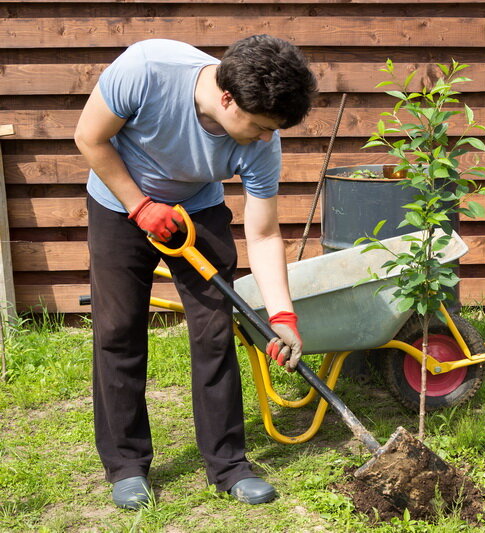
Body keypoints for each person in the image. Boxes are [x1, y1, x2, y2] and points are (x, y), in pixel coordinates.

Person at [74, 35, 317, 509]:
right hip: (119, 202)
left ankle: (228, 464)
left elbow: (265, 234)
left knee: (213, 333)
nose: (267, 137)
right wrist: (139, 205)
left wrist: (283, 316)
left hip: (198, 209)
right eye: (261, 126)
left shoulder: (263, 142)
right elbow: (89, 136)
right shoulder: (148, 69)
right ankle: (126, 465)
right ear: (227, 98)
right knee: (119, 329)